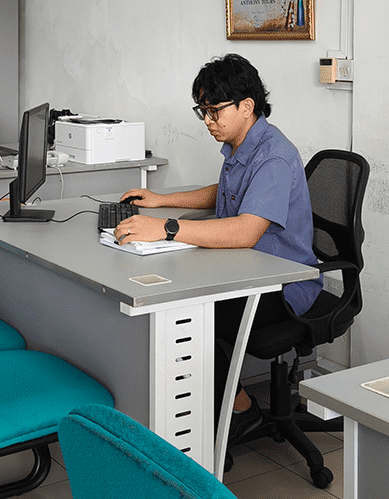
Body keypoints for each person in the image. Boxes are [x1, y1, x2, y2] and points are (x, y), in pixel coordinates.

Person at [114, 53, 320, 444]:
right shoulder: (243, 143)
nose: (208, 121)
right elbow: (224, 192)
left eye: (214, 111)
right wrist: (162, 201)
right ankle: (205, 407)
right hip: (244, 269)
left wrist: (167, 228)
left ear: (247, 106)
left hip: (282, 285)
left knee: (183, 319)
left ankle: (240, 409)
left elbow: (245, 231)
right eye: (203, 111)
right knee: (175, 308)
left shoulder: (274, 156)